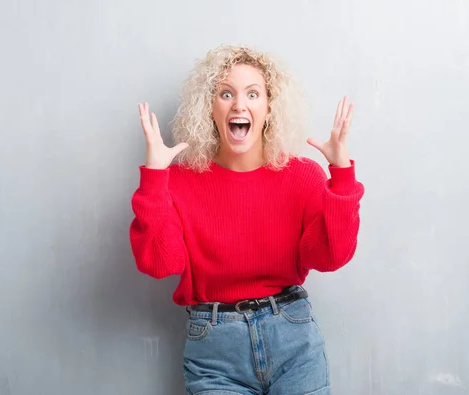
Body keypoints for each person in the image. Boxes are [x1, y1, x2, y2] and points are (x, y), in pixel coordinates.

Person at [129, 44, 364, 395]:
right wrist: (154, 179)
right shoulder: (179, 181)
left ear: (269, 108)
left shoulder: (302, 176)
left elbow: (330, 257)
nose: (239, 105)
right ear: (210, 107)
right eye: (226, 93)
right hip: (215, 352)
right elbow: (160, 264)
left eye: (253, 94)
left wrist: (341, 176)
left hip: (294, 343)